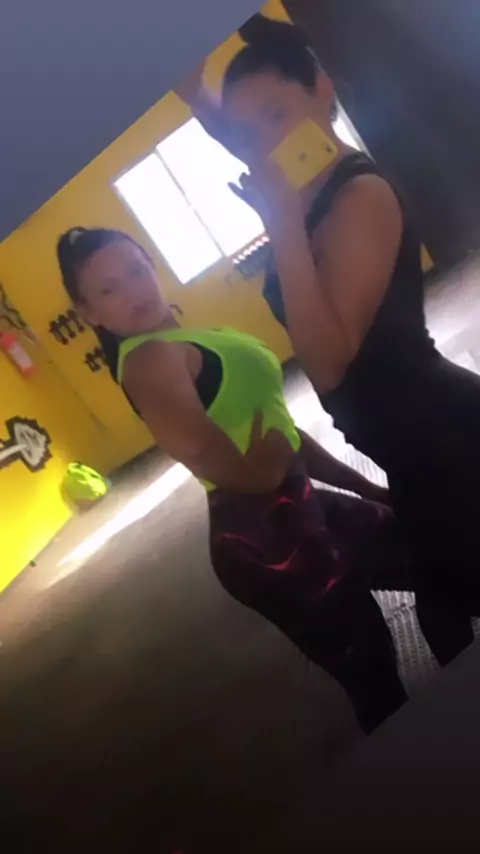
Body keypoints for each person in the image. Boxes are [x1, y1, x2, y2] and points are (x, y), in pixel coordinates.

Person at [179, 13, 480, 666]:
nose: (261, 143)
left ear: (322, 90)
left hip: (445, 439)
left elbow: (329, 363)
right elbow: (238, 127)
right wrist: (190, 89)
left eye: (275, 114)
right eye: (247, 130)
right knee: (444, 601)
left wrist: (283, 226)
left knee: (448, 600)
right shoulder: (300, 176)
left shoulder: (359, 196)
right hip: (405, 444)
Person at [56, 225, 422, 733]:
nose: (132, 291)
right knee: (374, 676)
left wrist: (365, 488)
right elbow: (198, 449)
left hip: (300, 506)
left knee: (433, 563)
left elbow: (277, 431)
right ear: (89, 313)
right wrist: (266, 471)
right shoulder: (147, 359)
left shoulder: (189, 339)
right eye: (108, 288)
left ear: (153, 267)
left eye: (136, 271)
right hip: (263, 541)